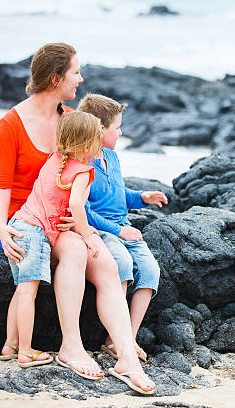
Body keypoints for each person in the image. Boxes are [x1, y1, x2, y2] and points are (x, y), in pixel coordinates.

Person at [0, 42, 155, 394]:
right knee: (80, 252)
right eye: (75, 72)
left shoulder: (72, 122)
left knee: (107, 263)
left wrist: (93, 224)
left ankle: (126, 357)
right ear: (55, 78)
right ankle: (72, 348)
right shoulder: (11, 123)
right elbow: (1, 185)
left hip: (65, 220)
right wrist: (2, 228)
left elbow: (84, 182)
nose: (81, 80)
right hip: (27, 221)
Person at [5, 111, 101, 369]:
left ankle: (10, 344)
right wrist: (88, 235)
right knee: (28, 291)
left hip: (19, 225)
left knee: (21, 288)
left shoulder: (54, 158)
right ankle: (25, 351)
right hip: (35, 232)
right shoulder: (82, 171)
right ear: (88, 144)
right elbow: (76, 206)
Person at [77, 94, 167, 362]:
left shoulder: (112, 157)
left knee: (150, 271)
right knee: (123, 266)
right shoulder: (84, 162)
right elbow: (83, 210)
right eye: (117, 127)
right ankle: (120, 338)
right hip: (102, 231)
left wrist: (141, 198)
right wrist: (117, 232)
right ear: (100, 129)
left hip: (123, 226)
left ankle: (122, 339)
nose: (121, 132)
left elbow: (118, 193)